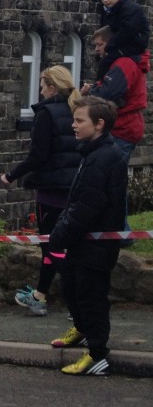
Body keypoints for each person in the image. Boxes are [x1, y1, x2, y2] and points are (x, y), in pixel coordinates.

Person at [49, 96, 127, 376]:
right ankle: (82, 330)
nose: (74, 125)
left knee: (91, 297)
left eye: (80, 120)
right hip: (83, 242)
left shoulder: (104, 157)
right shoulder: (93, 153)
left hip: (96, 245)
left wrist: (59, 235)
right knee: (71, 286)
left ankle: (97, 354)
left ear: (99, 124)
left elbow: (87, 206)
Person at [2, 66, 81, 316]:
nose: (39, 90)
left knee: (52, 248)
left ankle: (78, 303)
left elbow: (37, 155)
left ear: (52, 87)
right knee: (63, 246)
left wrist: (11, 175)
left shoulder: (46, 113)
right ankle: (40, 295)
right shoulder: (77, 109)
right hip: (75, 187)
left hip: (51, 189)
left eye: (41, 85)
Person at [84, 26, 149, 246]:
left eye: (100, 45)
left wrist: (92, 93)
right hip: (121, 128)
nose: (97, 50)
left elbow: (109, 96)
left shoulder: (124, 65)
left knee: (112, 183)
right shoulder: (119, 65)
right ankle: (120, 232)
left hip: (123, 129)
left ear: (111, 44)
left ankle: (123, 235)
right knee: (110, 181)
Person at [93, 0, 150, 82]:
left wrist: (110, 46)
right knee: (105, 61)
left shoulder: (130, 9)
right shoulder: (115, 10)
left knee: (106, 62)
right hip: (126, 43)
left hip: (134, 44)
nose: (105, 0)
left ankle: (101, 84)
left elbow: (127, 31)